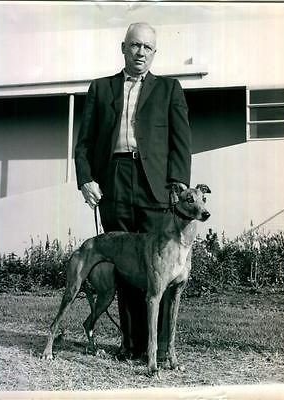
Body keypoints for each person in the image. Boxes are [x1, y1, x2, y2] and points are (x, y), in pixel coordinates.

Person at [75, 22, 192, 360]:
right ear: (123, 47)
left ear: (154, 53)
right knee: (126, 265)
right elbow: (83, 144)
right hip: (113, 179)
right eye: (135, 45)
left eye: (148, 48)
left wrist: (177, 187)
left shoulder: (169, 89)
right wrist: (87, 179)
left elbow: (181, 144)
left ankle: (161, 350)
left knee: (161, 267)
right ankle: (131, 346)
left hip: (157, 187)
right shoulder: (100, 89)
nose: (141, 52)